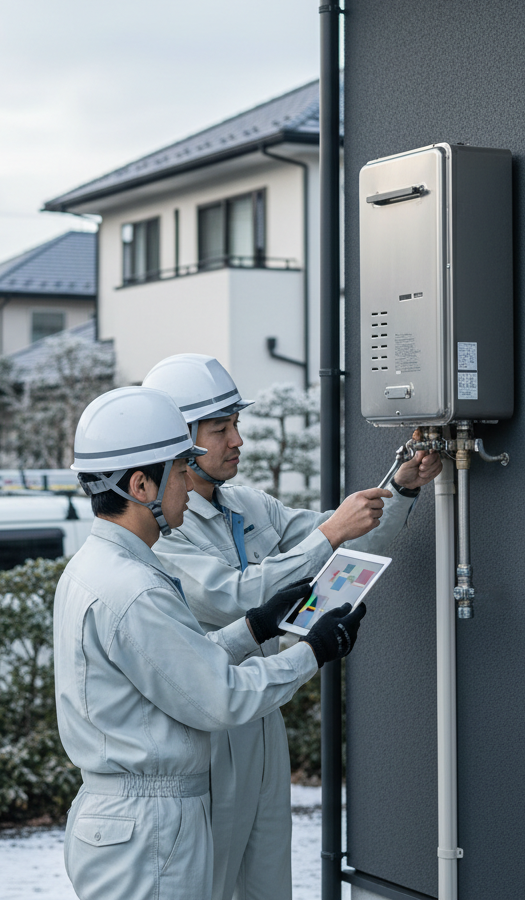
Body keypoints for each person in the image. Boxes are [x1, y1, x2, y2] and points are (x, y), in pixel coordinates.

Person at [142, 354, 441, 900]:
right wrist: (328, 533)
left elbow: (345, 545)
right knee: (209, 883)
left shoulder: (250, 505)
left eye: (237, 424)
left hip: (261, 715)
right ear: (179, 441)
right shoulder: (164, 529)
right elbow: (235, 597)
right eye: (220, 429)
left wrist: (401, 488)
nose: (237, 440)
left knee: (268, 880)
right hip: (205, 725)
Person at [55, 385, 367, 900]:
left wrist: (254, 629)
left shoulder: (99, 568)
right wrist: (312, 651)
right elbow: (221, 696)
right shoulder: (135, 589)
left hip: (132, 818)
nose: (187, 483)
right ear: (140, 484)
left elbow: (175, 668)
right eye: (180, 470)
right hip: (150, 827)